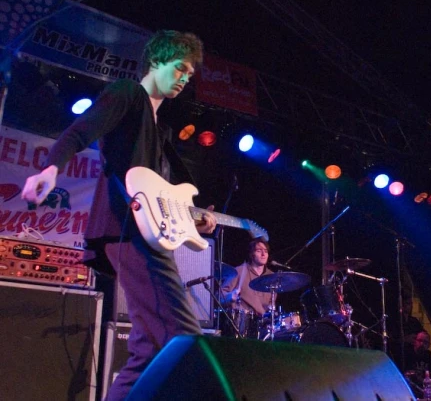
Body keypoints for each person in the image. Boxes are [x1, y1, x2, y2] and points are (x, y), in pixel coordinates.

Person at [21, 30, 217, 401]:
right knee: (185, 338)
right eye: (180, 69)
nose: (185, 79)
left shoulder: (162, 131)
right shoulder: (129, 93)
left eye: (189, 75)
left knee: (146, 353)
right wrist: (50, 169)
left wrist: (193, 218)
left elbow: (162, 194)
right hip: (127, 230)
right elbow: (82, 129)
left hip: (143, 235)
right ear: (157, 60)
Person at [219, 237, 274, 336]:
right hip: (241, 324)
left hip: (263, 326)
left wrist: (271, 309)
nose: (263, 254)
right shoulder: (238, 271)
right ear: (251, 255)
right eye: (259, 251)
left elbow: (270, 304)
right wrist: (230, 296)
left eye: (265, 251)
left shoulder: (272, 277)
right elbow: (219, 296)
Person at [403, 330, 431, 398]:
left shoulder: (428, 355)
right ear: (415, 341)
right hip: (414, 385)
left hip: (426, 385)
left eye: (425, 342)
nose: (421, 344)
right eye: (420, 340)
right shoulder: (409, 353)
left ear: (429, 345)